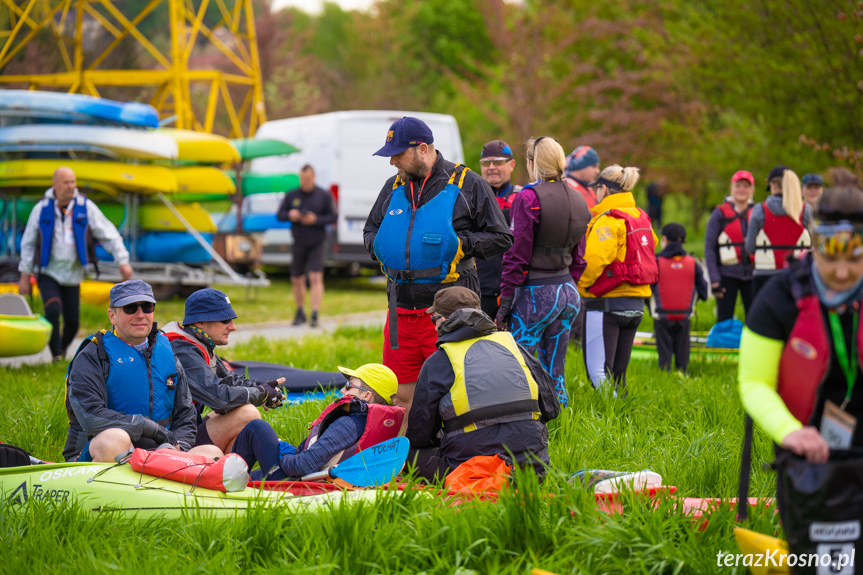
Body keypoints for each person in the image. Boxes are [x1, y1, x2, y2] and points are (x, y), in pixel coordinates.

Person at [738, 172, 863, 548]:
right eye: (830, 258)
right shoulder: (781, 295)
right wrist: (788, 431)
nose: (841, 273)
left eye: (855, 259)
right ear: (815, 245)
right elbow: (754, 381)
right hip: (805, 441)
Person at [363, 116, 512, 412]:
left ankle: (455, 454)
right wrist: (381, 248)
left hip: (449, 311)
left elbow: (501, 237)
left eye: (398, 153)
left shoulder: (469, 184)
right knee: (401, 399)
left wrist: (459, 243)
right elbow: (370, 230)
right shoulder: (392, 187)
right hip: (401, 310)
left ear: (422, 149)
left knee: (454, 396)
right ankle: (409, 458)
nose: (392, 161)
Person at [407, 287, 557, 482]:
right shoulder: (515, 348)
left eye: (433, 319)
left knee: (409, 453)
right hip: (531, 470)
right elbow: (551, 409)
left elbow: (420, 434)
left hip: (470, 473)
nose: (433, 326)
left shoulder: (439, 360)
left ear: (442, 320)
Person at [63, 280, 220, 463]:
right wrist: (147, 427)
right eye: (130, 308)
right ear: (112, 316)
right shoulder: (93, 355)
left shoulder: (166, 350)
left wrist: (179, 447)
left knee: (212, 452)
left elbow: (185, 415)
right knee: (115, 439)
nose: (140, 315)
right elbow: (90, 416)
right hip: (102, 452)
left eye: (147, 307)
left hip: (157, 454)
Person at [497, 137, 590, 407]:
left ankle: (524, 426)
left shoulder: (528, 197)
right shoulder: (579, 198)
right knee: (555, 368)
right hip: (568, 291)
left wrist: (504, 304)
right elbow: (580, 256)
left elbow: (517, 255)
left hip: (536, 294)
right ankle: (560, 426)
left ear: (532, 163)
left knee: (520, 367)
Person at [18, 167, 133, 361]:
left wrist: (122, 261)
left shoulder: (85, 207)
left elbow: (108, 234)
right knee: (53, 310)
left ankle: (62, 351)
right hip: (48, 271)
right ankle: (55, 357)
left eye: (73, 182)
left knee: (72, 322)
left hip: (73, 273)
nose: (71, 186)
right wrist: (24, 275)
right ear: (54, 185)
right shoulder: (41, 209)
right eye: (66, 182)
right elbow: (28, 243)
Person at [162, 288, 287, 453]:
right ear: (200, 323)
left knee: (243, 425)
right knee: (247, 414)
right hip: (171, 443)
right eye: (225, 320)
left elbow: (229, 381)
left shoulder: (197, 343)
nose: (233, 327)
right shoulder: (182, 349)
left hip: (183, 431)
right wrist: (260, 393)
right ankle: (286, 460)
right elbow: (218, 398)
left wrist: (265, 389)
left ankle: (237, 473)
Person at [231, 363, 403, 480]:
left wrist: (282, 449)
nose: (343, 389)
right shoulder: (372, 424)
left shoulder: (349, 424)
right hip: (314, 474)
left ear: (366, 396)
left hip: (295, 481)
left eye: (349, 385)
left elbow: (301, 466)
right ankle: (231, 475)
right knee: (251, 476)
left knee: (257, 428)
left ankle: (225, 479)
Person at [577, 165, 658, 395]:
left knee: (599, 373)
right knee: (618, 375)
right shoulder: (641, 217)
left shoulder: (608, 220)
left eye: (597, 189)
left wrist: (580, 287)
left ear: (604, 189)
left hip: (605, 306)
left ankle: (608, 422)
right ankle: (623, 416)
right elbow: (652, 245)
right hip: (636, 306)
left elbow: (593, 261)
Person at [276, 164, 338, 327]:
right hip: (298, 241)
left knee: (315, 276)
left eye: (308, 179)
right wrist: (291, 214)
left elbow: (333, 216)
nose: (305, 182)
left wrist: (315, 219)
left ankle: (315, 313)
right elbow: (280, 215)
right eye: (302, 179)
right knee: (296, 277)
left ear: (314, 177)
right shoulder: (292, 195)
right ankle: (300, 311)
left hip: (317, 241)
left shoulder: (324, 195)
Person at [745, 166, 812, 295]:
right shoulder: (806, 210)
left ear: (772, 185)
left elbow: (750, 248)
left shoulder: (759, 210)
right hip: (797, 274)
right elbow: (815, 244)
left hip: (764, 276)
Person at [650, 223, 708, 373]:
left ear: (664, 240)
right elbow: (704, 292)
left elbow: (647, 290)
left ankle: (665, 371)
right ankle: (682, 371)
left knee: (664, 348)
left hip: (661, 314)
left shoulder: (656, 262)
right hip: (685, 313)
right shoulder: (693, 262)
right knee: (683, 346)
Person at [476, 139, 521, 319]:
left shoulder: (523, 198)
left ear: (512, 164)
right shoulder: (471, 199)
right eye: (486, 163)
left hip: (516, 290)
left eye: (498, 162)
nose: (492, 167)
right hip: (480, 290)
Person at [704, 170, 756, 322]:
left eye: (746, 186)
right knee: (724, 318)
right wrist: (714, 279)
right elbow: (709, 248)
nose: (742, 190)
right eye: (738, 186)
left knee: (755, 318)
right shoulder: (719, 214)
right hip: (727, 275)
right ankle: (723, 344)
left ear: (752, 189)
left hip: (753, 275)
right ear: (731, 188)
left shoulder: (758, 212)